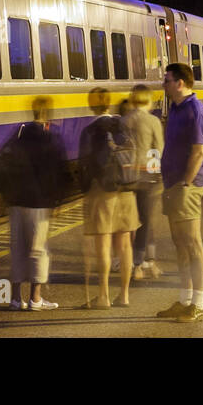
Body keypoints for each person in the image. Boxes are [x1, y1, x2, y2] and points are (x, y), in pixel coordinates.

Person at [0, 96, 71, 311]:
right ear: (48, 115)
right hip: (39, 204)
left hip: (16, 203)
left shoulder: (18, 136)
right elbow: (62, 173)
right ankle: (35, 299)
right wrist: (57, 201)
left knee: (17, 249)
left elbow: (0, 166)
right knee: (38, 250)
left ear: (33, 112)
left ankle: (14, 298)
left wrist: (7, 195)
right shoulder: (51, 139)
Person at [156, 63, 203, 322]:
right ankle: (184, 299)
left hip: (187, 187)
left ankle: (198, 303)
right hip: (173, 185)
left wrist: (186, 183)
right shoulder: (176, 109)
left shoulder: (195, 111)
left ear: (180, 83)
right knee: (180, 244)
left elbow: (199, 150)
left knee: (192, 243)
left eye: (166, 80)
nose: (163, 85)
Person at [79, 88, 139, 308]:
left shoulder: (90, 130)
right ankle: (124, 296)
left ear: (92, 104)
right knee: (124, 244)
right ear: (108, 104)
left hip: (102, 192)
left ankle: (103, 296)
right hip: (126, 190)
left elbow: (84, 163)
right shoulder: (122, 125)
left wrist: (85, 188)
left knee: (103, 244)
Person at [122, 84, 164, 281]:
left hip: (127, 177)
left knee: (133, 221)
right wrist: (156, 173)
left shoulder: (124, 120)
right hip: (147, 176)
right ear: (147, 99)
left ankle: (137, 262)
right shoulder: (153, 120)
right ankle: (143, 263)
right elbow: (158, 149)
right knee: (147, 220)